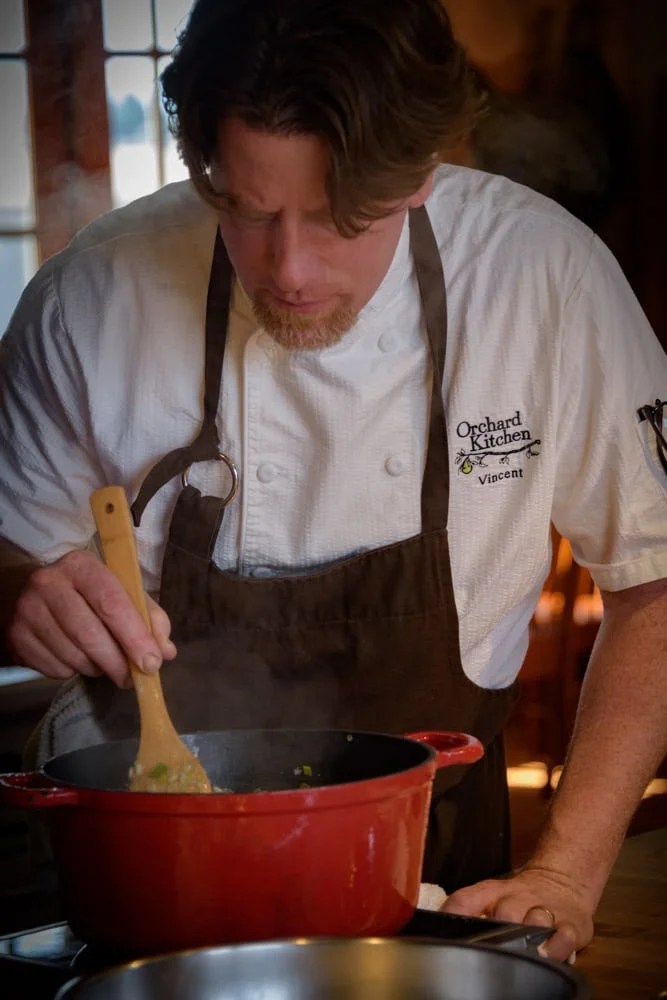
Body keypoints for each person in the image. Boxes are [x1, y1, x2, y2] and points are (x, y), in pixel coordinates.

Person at [1, 0, 665, 963]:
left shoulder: (541, 279)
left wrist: (564, 873)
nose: (291, 270)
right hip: (145, 861)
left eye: (339, 219)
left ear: (423, 172)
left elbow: (654, 585)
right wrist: (20, 590)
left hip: (434, 859)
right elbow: (10, 556)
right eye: (247, 209)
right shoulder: (87, 298)